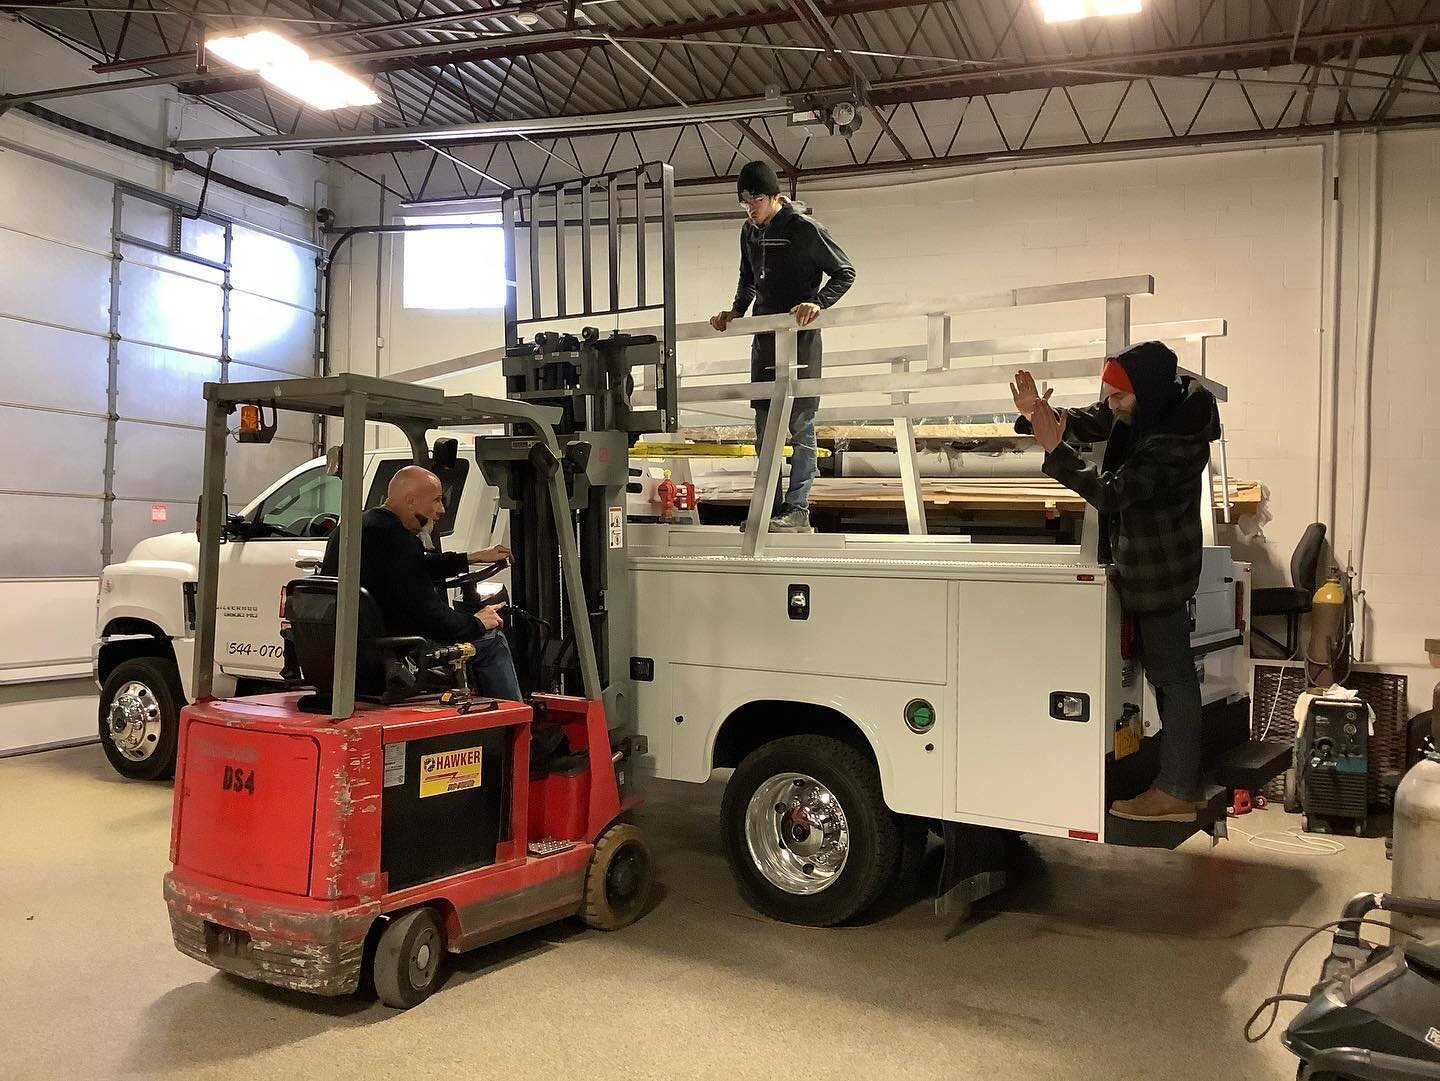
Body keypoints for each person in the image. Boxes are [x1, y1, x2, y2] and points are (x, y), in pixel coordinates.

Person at [1010, 341, 1221, 823]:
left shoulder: (1176, 441)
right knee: (1170, 676)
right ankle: (1177, 780)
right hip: (1149, 565)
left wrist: (1055, 450)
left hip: (1159, 572)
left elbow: (1113, 493)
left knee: (1173, 678)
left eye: (1119, 397)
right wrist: (1039, 415)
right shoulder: (1152, 411)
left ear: (1144, 392)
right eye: (1109, 396)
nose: (1111, 406)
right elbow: (1096, 418)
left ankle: (1177, 789)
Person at [709, 160, 856, 534]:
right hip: (765, 339)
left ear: (773, 196)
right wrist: (736, 311)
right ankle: (768, 506)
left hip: (801, 338)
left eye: (755, 199)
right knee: (764, 426)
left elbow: (845, 271)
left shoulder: (803, 228)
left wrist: (819, 302)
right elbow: (747, 278)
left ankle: (798, 509)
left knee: (801, 425)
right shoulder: (749, 232)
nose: (750, 208)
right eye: (744, 202)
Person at [319, 465, 522, 702]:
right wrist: (477, 621)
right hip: (393, 655)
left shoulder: (357, 528)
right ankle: (515, 726)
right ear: (411, 501)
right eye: (436, 501)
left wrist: (470, 558)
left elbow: (413, 567)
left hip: (353, 653)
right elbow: (436, 620)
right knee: (492, 640)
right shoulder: (400, 542)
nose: (441, 510)